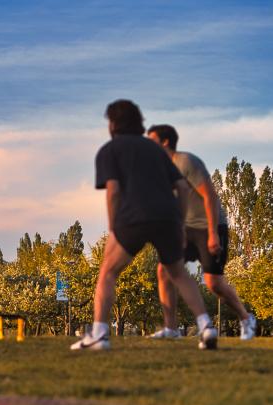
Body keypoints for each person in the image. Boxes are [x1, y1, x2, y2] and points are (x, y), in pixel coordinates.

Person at [71, 100, 218, 351]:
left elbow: (114, 191)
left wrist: (113, 226)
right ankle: (206, 327)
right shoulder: (157, 151)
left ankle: (99, 334)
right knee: (179, 273)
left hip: (134, 216)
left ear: (113, 123)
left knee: (107, 271)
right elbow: (182, 188)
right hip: (169, 217)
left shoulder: (110, 150)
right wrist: (180, 225)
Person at [146, 124, 256, 340]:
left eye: (151, 140)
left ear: (165, 142)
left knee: (214, 283)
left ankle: (246, 318)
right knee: (164, 270)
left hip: (210, 226)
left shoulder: (185, 161)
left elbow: (210, 196)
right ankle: (171, 329)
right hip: (185, 228)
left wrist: (214, 234)